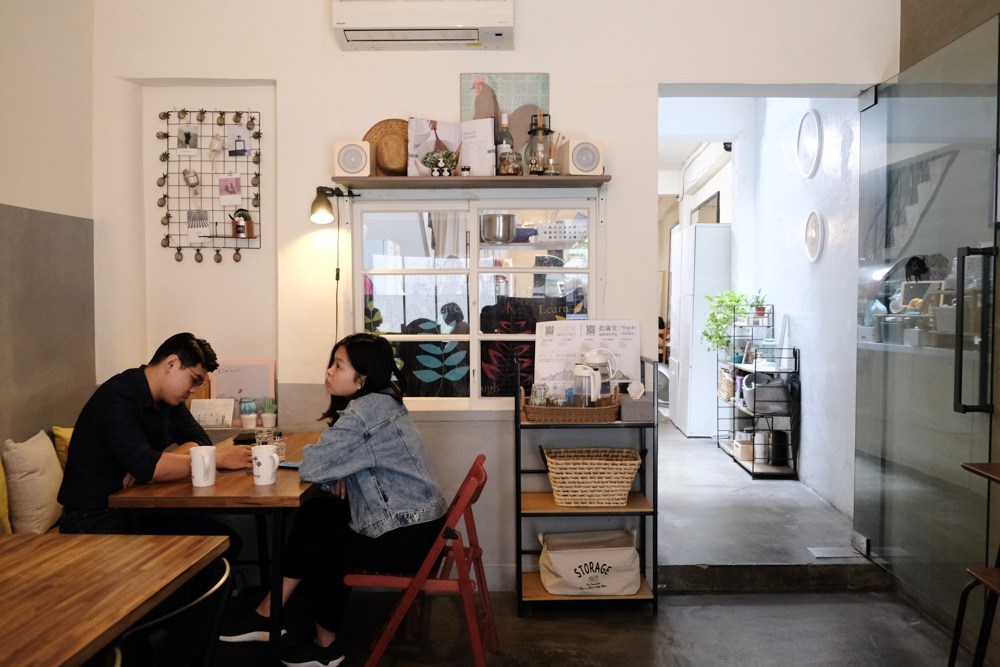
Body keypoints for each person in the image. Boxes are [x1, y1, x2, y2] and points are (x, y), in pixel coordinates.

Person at [220, 333, 447, 667]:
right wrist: (340, 470)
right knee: (317, 513)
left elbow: (313, 465)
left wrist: (335, 468)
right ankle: (269, 613)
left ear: (362, 378)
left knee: (326, 541)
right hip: (421, 526)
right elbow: (336, 461)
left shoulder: (364, 413)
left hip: (405, 536)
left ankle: (324, 647)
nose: (329, 371)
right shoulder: (384, 400)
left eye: (338, 365)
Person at [58, 332, 252, 543]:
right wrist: (217, 459)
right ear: (171, 363)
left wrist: (151, 467)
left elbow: (200, 440)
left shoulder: (169, 400)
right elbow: (148, 466)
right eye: (193, 380)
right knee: (208, 547)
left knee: (226, 541)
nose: (193, 390)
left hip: (136, 508)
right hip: (92, 515)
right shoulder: (116, 397)